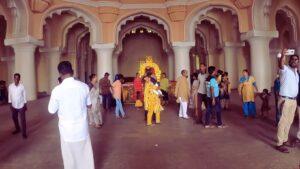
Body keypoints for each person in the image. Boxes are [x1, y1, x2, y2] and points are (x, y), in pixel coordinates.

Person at [48, 61, 95, 169]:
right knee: (84, 155)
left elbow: (51, 110)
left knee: (69, 157)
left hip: (66, 130)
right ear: (72, 72)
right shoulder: (84, 87)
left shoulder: (57, 90)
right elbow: (89, 105)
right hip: (81, 128)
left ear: (60, 74)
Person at [275, 49, 299, 153]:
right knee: (283, 121)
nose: (294, 60)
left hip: (293, 101)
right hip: (285, 99)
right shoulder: (285, 69)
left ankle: (284, 140)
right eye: (293, 59)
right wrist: (282, 55)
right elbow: (281, 64)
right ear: (289, 61)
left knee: (289, 121)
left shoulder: (296, 73)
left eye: (296, 60)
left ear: (298, 62)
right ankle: (279, 143)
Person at [8, 73, 27, 139]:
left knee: (23, 120)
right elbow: (9, 95)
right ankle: (17, 129)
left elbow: (24, 95)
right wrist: (10, 103)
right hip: (13, 105)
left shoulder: (22, 86)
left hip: (21, 105)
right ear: (14, 78)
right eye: (15, 78)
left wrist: (25, 104)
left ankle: (24, 133)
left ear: (19, 79)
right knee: (14, 118)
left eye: (18, 78)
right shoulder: (10, 86)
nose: (16, 79)